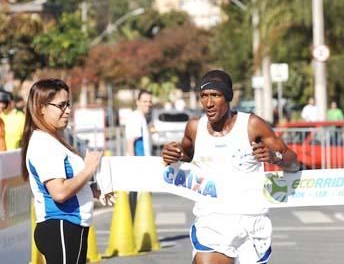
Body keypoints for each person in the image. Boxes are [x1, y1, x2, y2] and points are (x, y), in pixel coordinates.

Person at [161, 69, 299, 264]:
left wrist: (273, 157)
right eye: (204, 96)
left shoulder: (252, 125)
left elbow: (293, 162)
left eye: (215, 96)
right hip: (212, 221)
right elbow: (186, 154)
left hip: (251, 223)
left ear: (227, 97)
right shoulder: (194, 127)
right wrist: (174, 154)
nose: (208, 103)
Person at [20, 79, 113, 264]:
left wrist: (93, 191)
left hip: (69, 227)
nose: (68, 110)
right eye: (61, 105)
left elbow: (69, 181)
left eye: (68, 104)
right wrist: (89, 168)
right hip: (60, 225)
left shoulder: (54, 139)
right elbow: (59, 192)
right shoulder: (43, 143)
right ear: (41, 108)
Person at [125, 89, 153, 219]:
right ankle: (134, 226)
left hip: (143, 165)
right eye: (144, 101)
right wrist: (133, 164)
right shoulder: (135, 117)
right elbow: (131, 142)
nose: (148, 104)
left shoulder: (141, 118)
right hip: (138, 165)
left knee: (143, 199)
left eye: (149, 101)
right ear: (137, 102)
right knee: (136, 198)